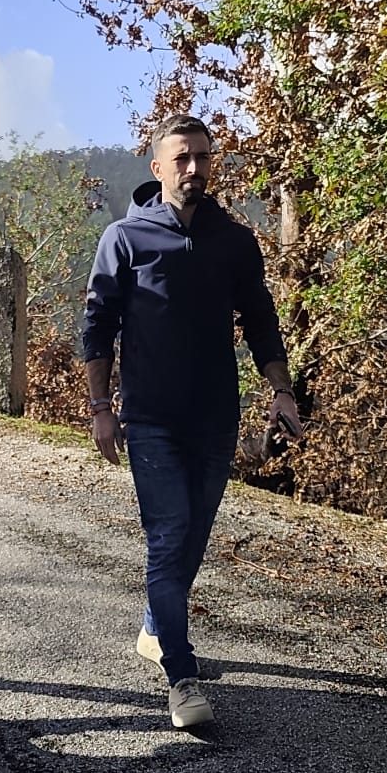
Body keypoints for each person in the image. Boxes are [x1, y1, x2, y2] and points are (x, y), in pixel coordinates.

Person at [82, 114, 302, 730]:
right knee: (167, 535)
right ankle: (180, 676)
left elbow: (261, 320)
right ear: (157, 168)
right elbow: (96, 329)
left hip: (215, 417)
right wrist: (102, 408)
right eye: (181, 158)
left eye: (203, 158)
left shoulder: (234, 241)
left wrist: (280, 391)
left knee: (193, 537)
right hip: (149, 417)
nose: (194, 168)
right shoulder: (124, 238)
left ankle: (157, 625)